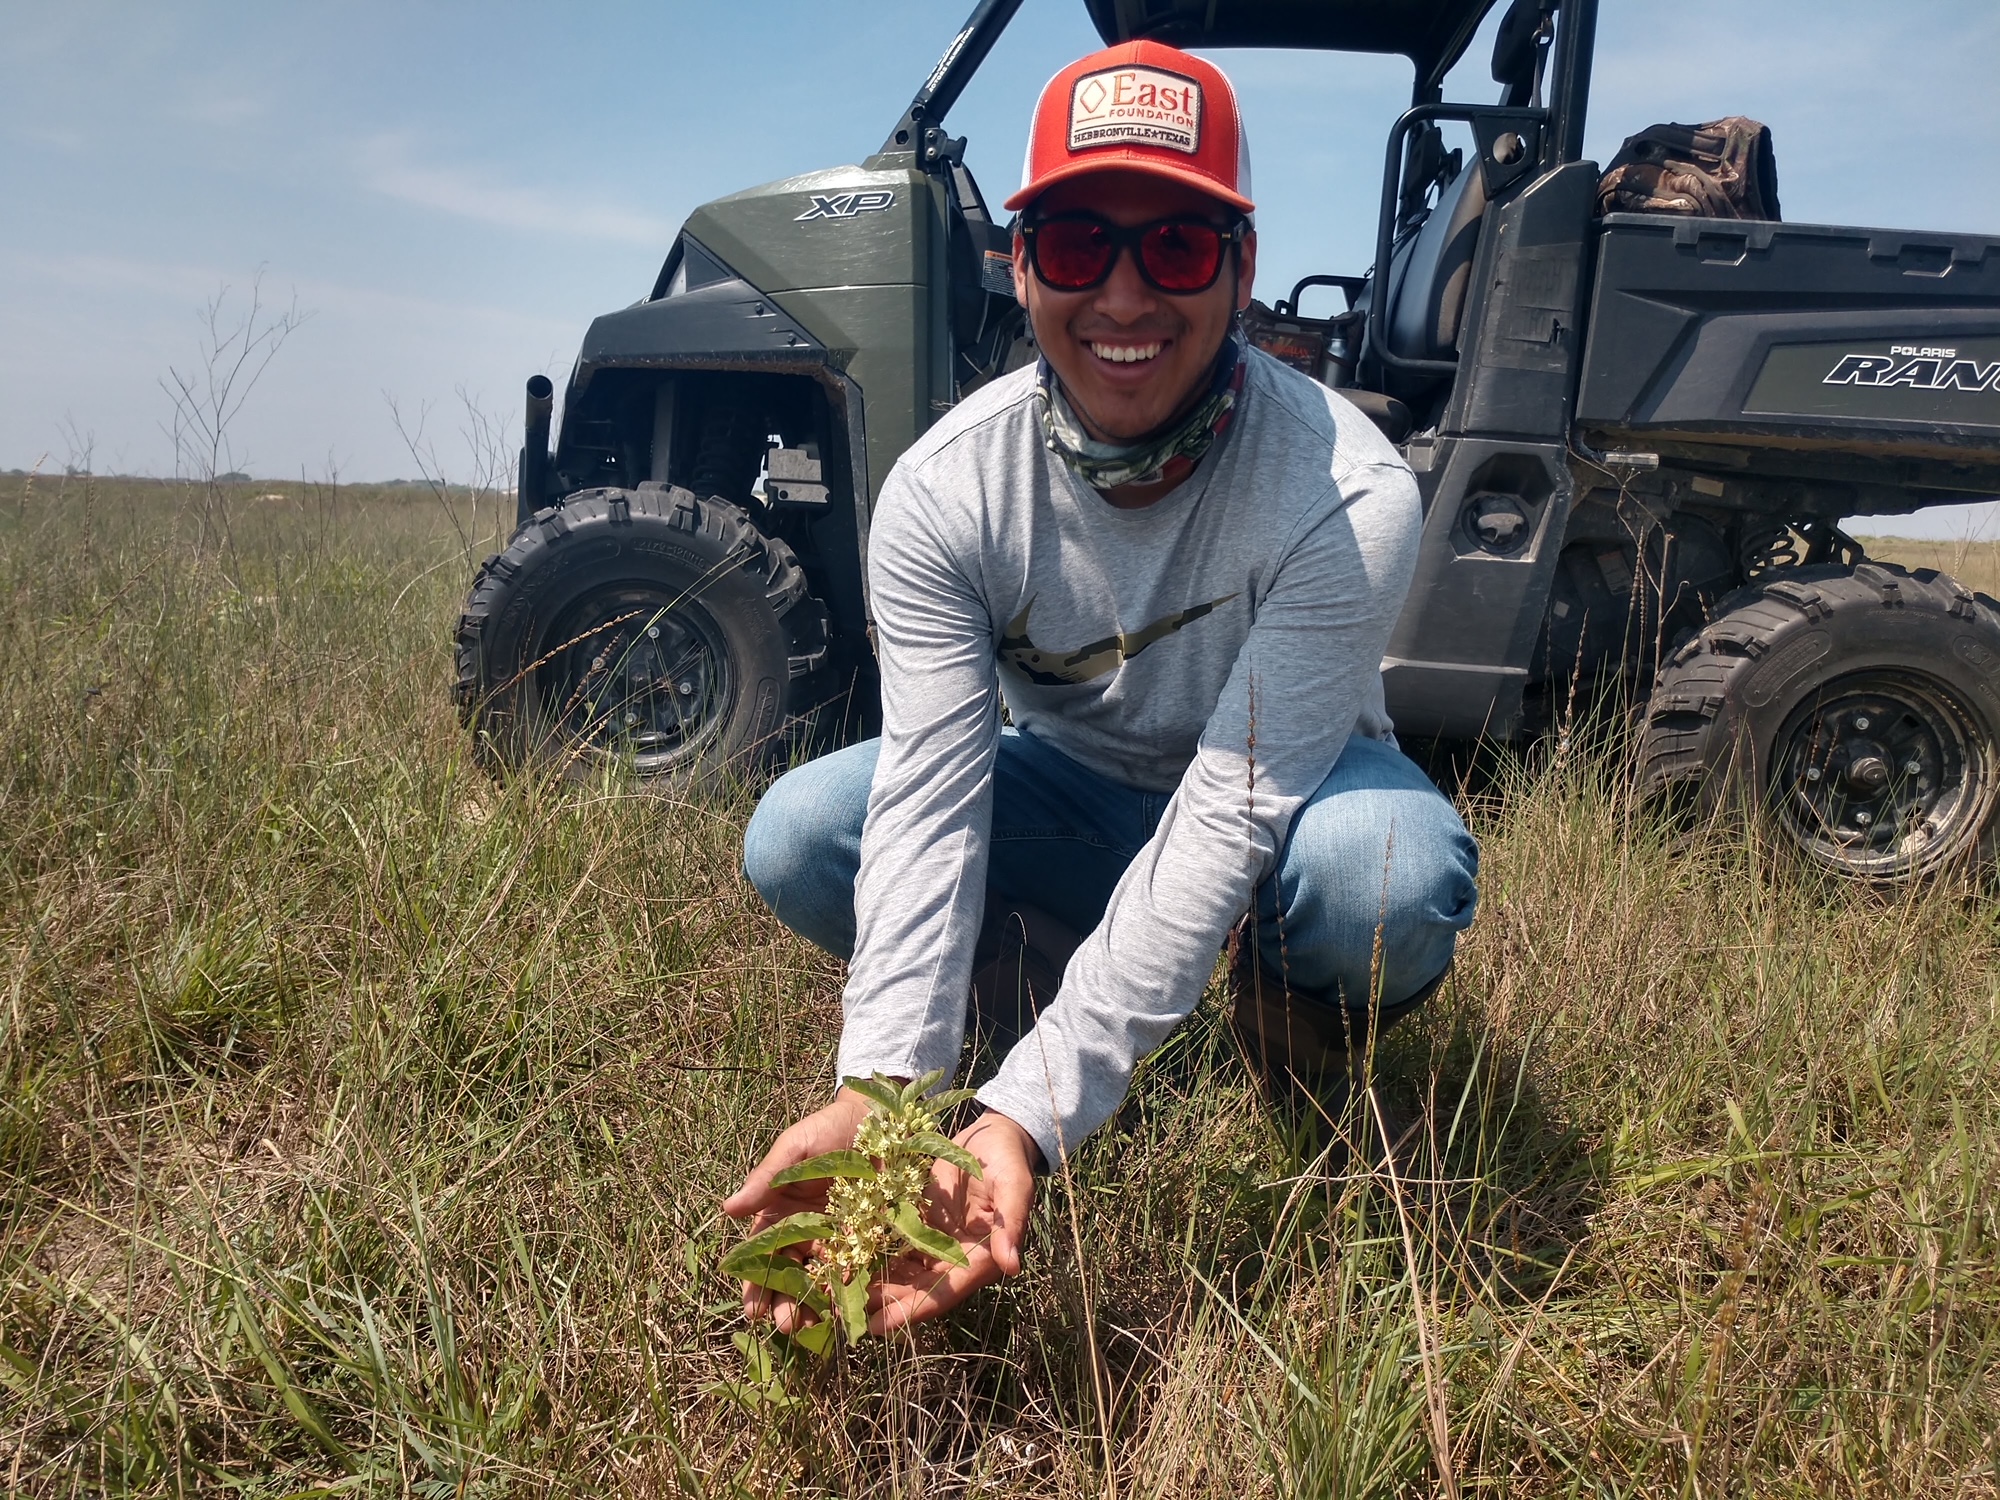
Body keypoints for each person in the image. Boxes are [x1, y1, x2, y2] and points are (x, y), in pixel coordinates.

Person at [724, 39, 1479, 1335]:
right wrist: (889, 1090)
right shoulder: (948, 491)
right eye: (1079, 244)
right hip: (1075, 787)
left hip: (1282, 803)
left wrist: (1024, 1113)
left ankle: (1262, 1037)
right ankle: (1065, 989)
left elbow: (1231, 813)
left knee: (1385, 886)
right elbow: (929, 796)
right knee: (802, 835)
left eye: (1178, 247)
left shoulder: (1347, 489)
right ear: (1022, 265)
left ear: (1241, 268)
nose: (1126, 295)